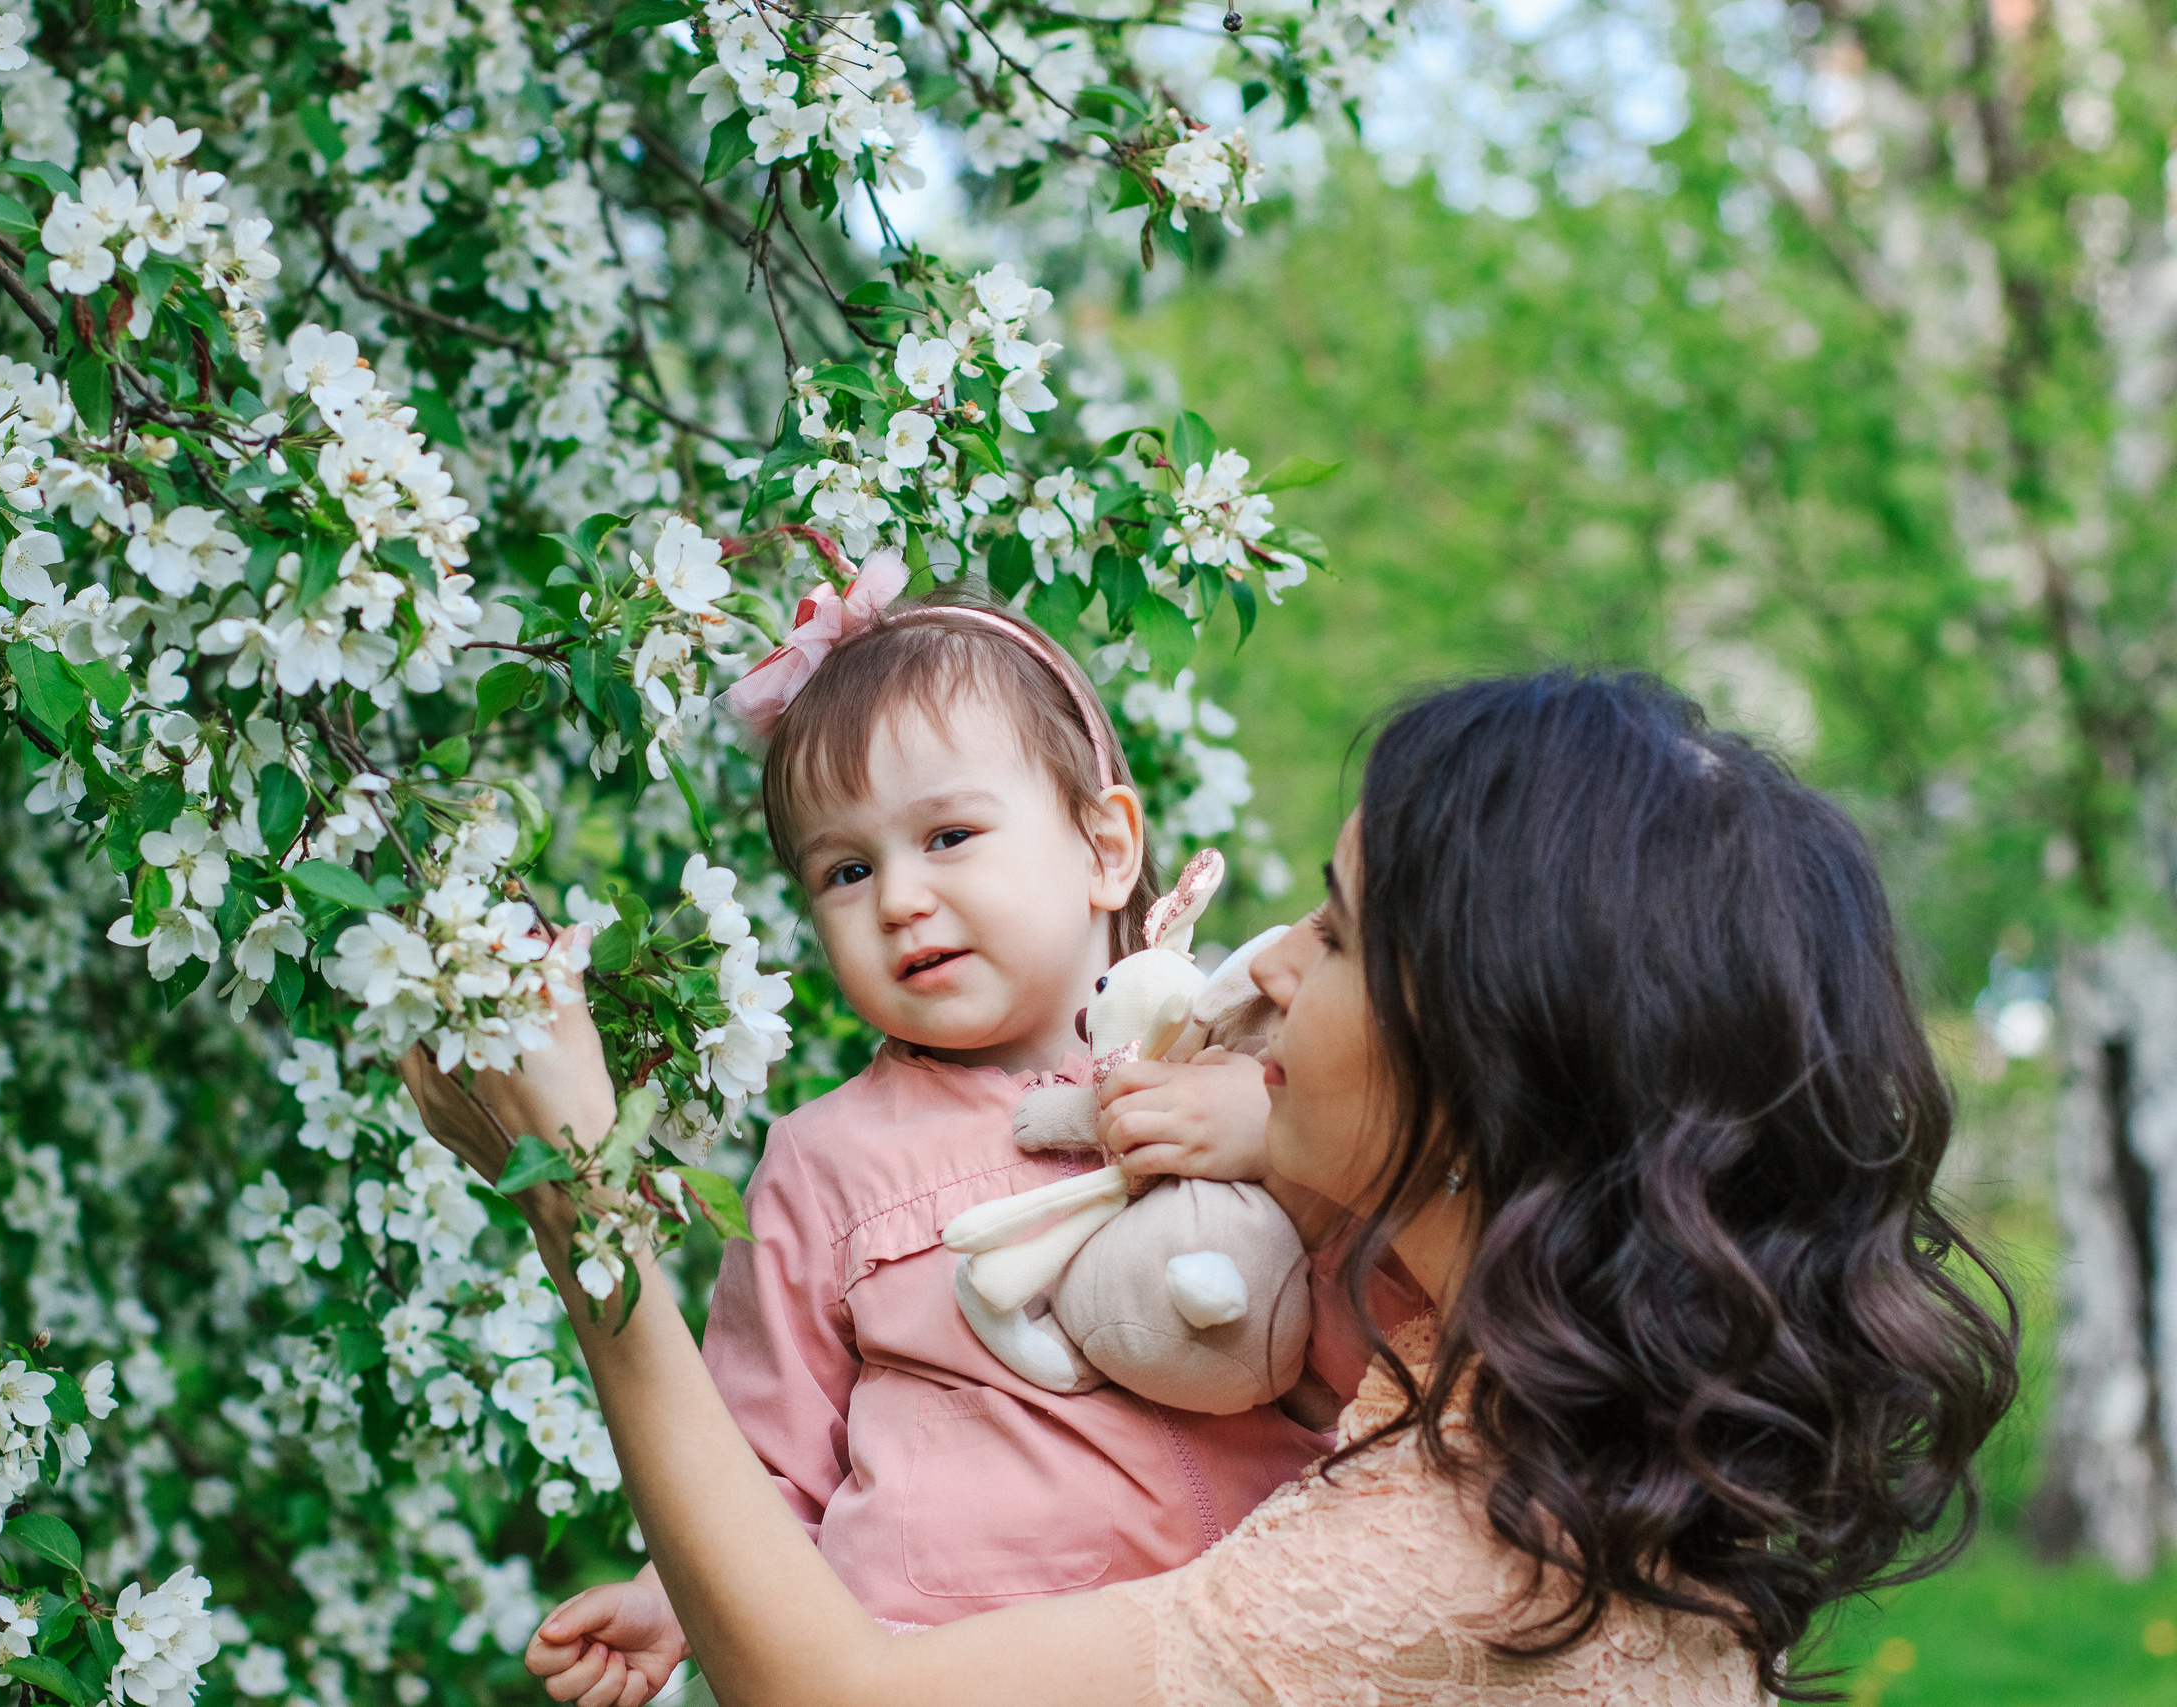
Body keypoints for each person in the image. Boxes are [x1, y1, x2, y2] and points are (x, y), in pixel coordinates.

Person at [402, 669, 2018, 1706]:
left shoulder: (1457, 1563)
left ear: (1480, 1066)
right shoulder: (1519, 1407)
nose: (1261, 966)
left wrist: (581, 1195)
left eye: (1326, 930)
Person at [496, 558, 1422, 1701]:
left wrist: (1267, 1140)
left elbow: (1376, 1364)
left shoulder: (1247, 1066)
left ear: (1104, 849)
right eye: (844, 870)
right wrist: (668, 1591)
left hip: (1209, 1652)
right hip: (928, 1660)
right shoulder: (826, 1161)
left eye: (946, 838)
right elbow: (760, 1450)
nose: (897, 899)